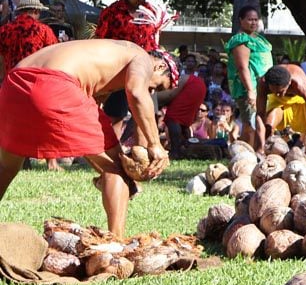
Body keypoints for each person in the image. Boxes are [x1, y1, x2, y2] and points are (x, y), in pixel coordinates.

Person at [0, 40, 177, 236]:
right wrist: (155, 145)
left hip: (13, 84)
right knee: (116, 168)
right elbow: (136, 93)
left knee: (6, 166)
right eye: (157, 86)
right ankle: (116, 244)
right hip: (56, 84)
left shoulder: (110, 52)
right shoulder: (141, 56)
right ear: (160, 66)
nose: (151, 92)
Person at [94, 0, 173, 138]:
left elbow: (154, 41)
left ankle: (142, 152)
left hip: (144, 69)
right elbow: (100, 40)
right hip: (117, 69)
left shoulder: (151, 12)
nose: (141, 0)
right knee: (115, 115)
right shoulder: (112, 12)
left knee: (145, 114)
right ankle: (113, 153)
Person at [225, 5, 272, 150]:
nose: (253, 22)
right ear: (241, 20)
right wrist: (251, 91)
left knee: (262, 121)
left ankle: (260, 150)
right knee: (251, 123)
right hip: (249, 87)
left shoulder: (258, 38)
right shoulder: (240, 39)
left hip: (264, 87)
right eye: (250, 19)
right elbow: (242, 67)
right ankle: (247, 154)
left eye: (256, 19)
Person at [0, 0, 58, 83]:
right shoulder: (44, 30)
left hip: (10, 83)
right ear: (35, 11)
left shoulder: (4, 30)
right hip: (34, 83)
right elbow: (53, 57)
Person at [157, 61, 208, 157]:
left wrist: (153, 98)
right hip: (197, 86)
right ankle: (188, 148)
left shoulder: (178, 77)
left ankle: (176, 151)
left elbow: (170, 94)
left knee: (173, 117)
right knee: (183, 122)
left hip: (192, 85)